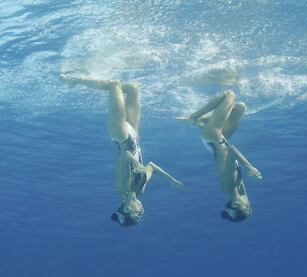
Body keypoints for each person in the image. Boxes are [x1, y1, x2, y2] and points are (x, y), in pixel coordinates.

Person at [61, 75, 185, 226]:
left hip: (121, 136)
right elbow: (151, 166)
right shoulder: (140, 190)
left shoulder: (123, 186)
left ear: (126, 208)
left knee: (114, 85)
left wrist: (137, 165)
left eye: (137, 214)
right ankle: (103, 92)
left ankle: (75, 80)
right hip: (135, 137)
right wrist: (171, 180)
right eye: (141, 215)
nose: (142, 212)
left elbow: (125, 155)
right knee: (133, 88)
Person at [178, 90, 262, 222]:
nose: (249, 204)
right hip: (221, 141)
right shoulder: (236, 191)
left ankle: (194, 117)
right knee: (240, 108)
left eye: (247, 207)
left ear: (235, 204)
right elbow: (243, 197)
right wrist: (244, 208)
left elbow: (232, 151)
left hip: (213, 137)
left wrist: (249, 166)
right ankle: (204, 121)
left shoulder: (230, 183)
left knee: (229, 95)